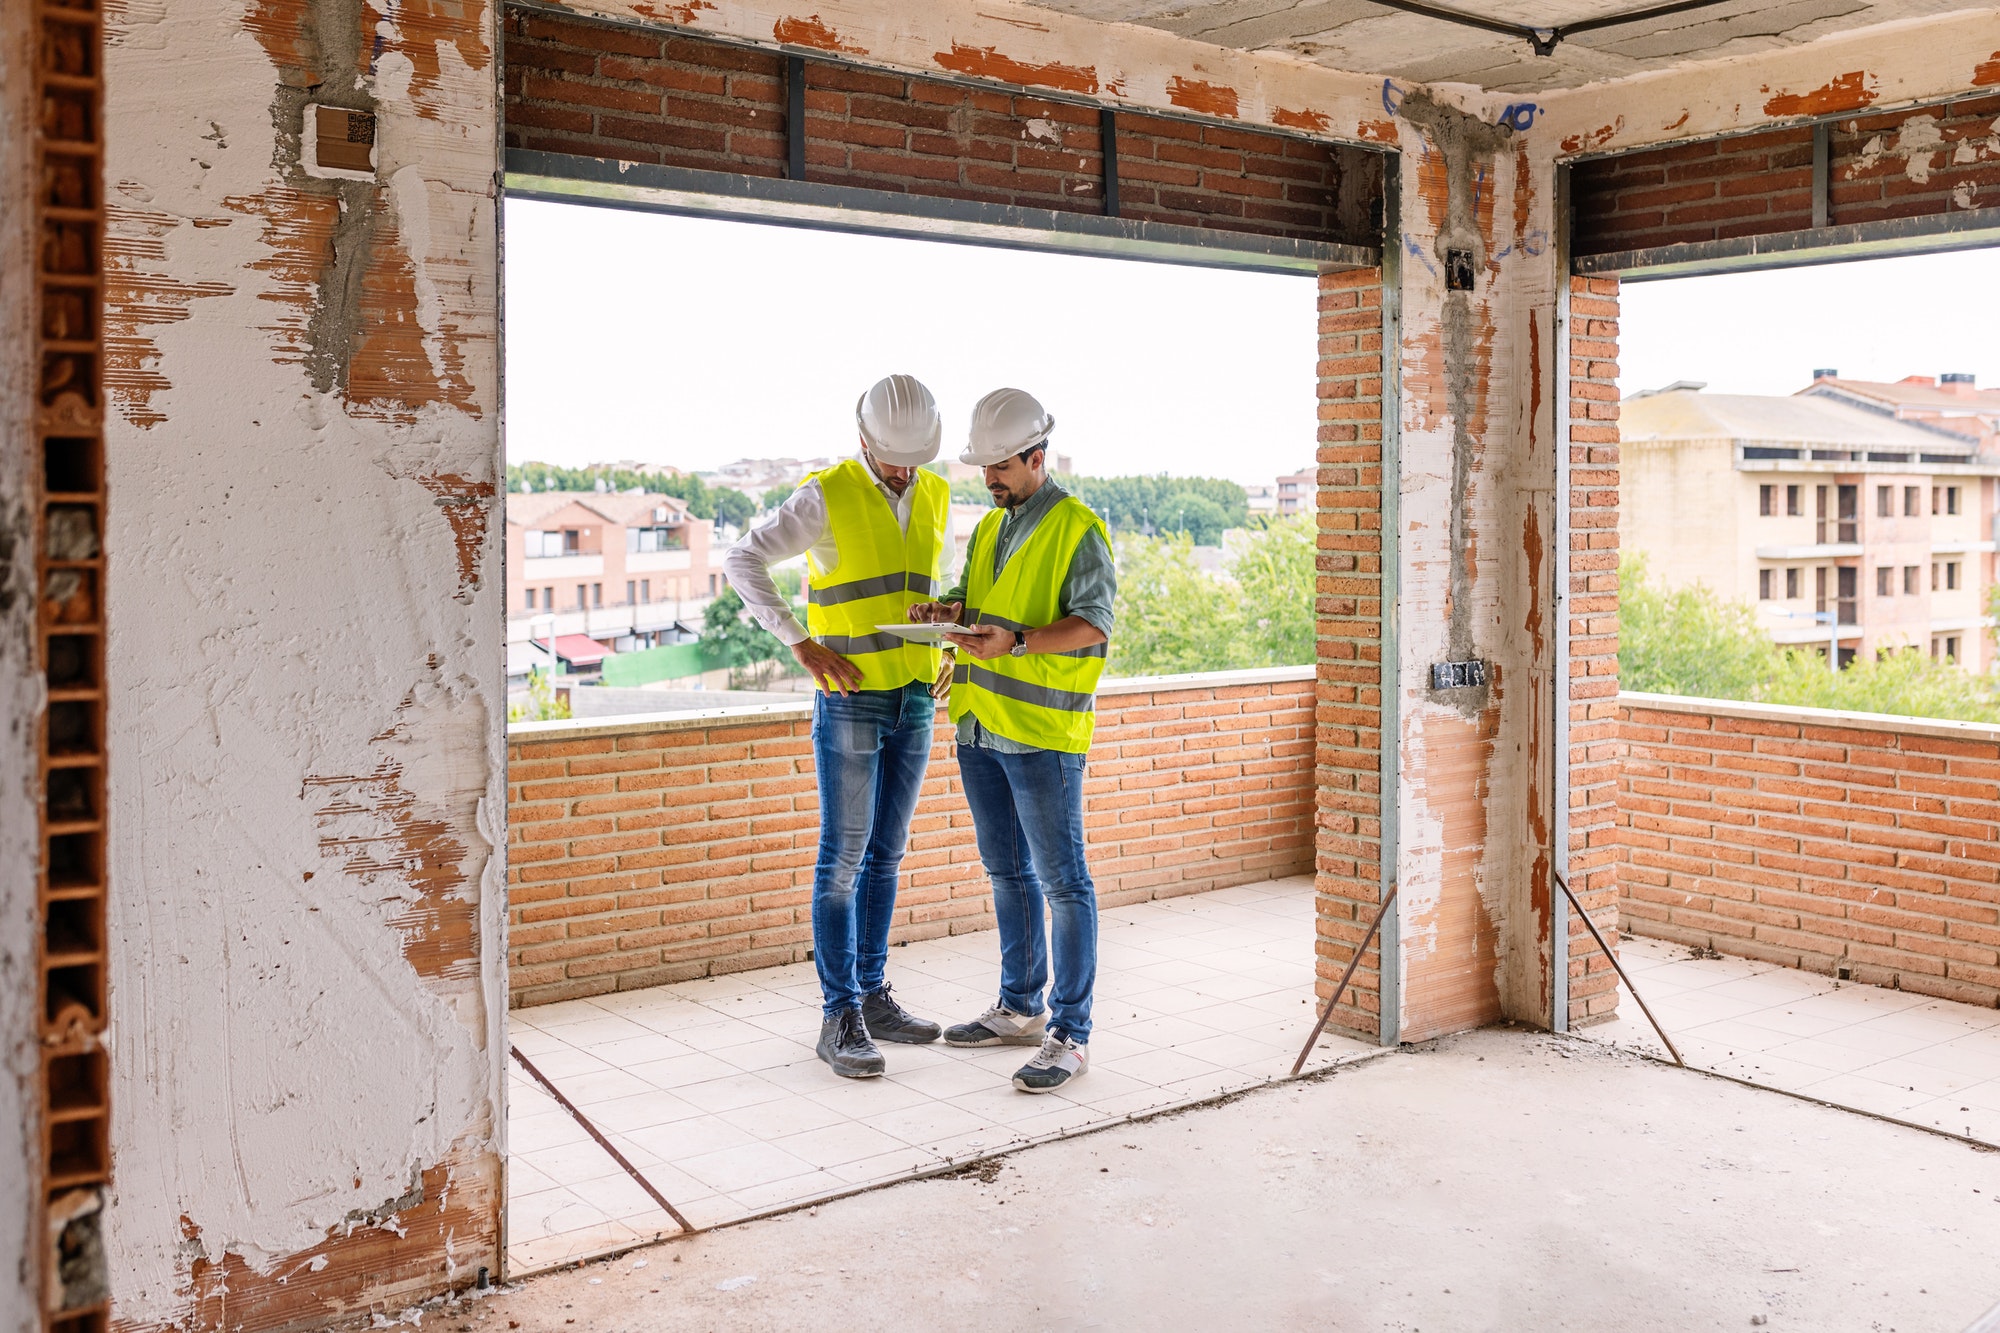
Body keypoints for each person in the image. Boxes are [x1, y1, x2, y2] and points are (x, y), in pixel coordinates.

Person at [721, 374, 956, 1079]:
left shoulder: (937, 493)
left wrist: (946, 639)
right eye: (894, 459)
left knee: (887, 854)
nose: (906, 471)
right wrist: (799, 642)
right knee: (844, 858)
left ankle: (873, 996)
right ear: (864, 440)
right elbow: (743, 558)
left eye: (915, 460)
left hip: (916, 694)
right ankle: (839, 1014)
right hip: (850, 696)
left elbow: (927, 588)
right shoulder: (826, 494)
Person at [909, 388, 1115, 1094]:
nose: (990, 479)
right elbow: (981, 605)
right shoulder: (991, 528)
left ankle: (1070, 1033)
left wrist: (1018, 642)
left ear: (1037, 456)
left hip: (1042, 735)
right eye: (984, 467)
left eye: (1001, 466)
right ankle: (1021, 1007)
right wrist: (945, 612)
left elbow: (1093, 623)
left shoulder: (1077, 527)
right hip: (979, 724)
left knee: (1064, 883)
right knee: (1007, 874)